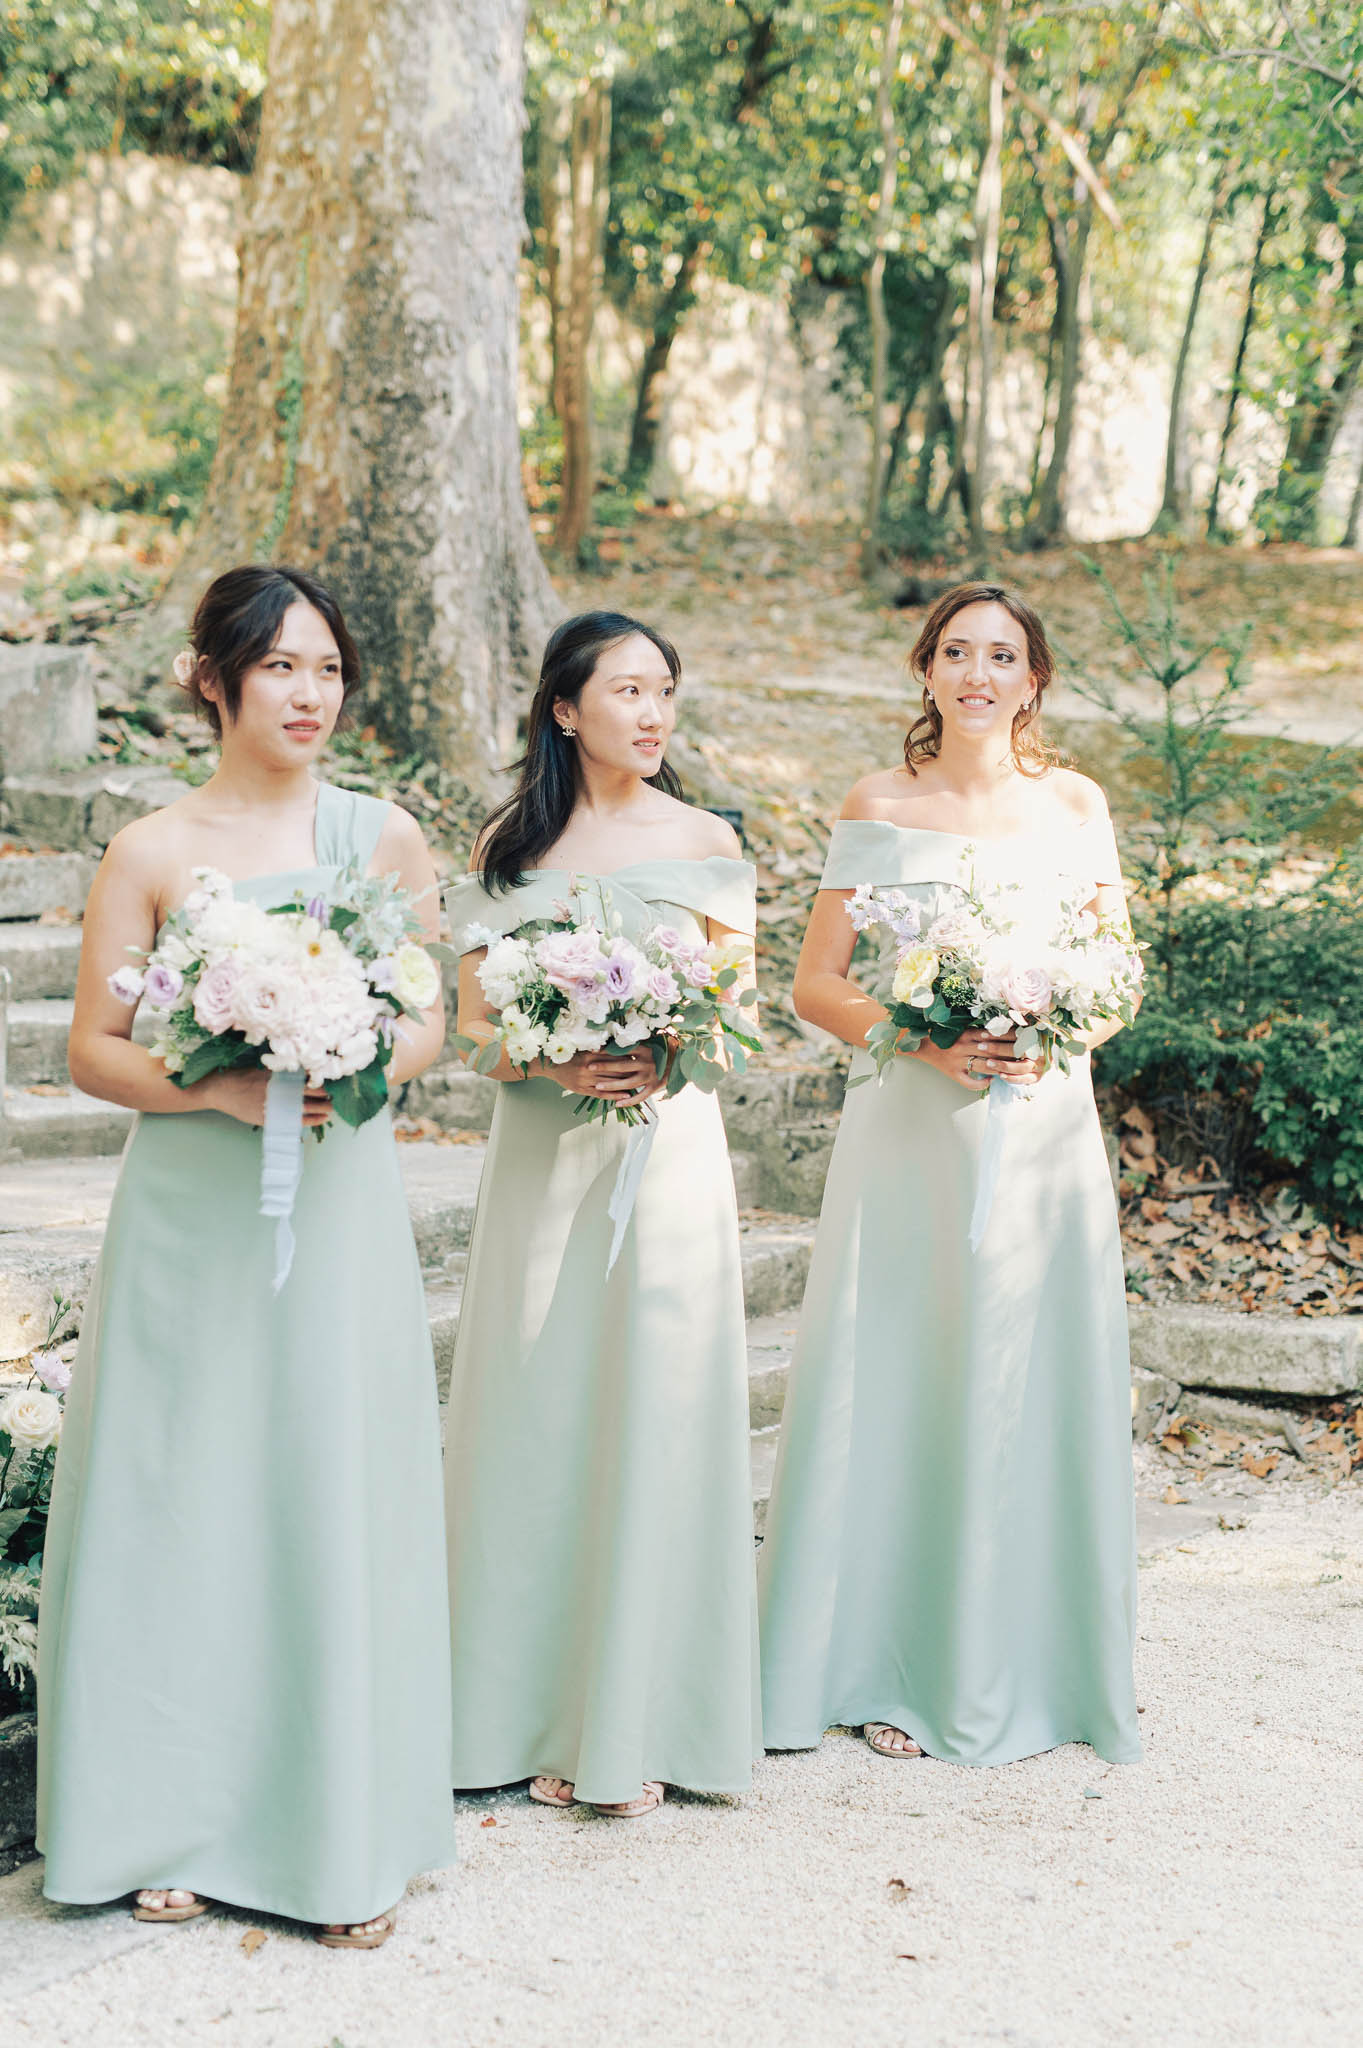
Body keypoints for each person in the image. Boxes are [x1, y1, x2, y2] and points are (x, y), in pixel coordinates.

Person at [37, 564, 454, 1946]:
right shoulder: (151, 852)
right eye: (280, 667)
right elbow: (96, 1053)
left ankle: (338, 1834)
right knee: (183, 1493)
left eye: (327, 668)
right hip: (191, 1213)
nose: (310, 694)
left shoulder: (382, 839)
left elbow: (429, 1022)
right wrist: (217, 1088)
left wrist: (351, 1055)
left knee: (325, 1485)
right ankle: (161, 1814)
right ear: (214, 679)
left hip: (335, 1204)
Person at [758, 581, 1142, 1769]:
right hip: (911, 1134)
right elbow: (816, 982)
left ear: (1033, 681)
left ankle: (1031, 1663)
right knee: (904, 1374)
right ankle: (875, 1657)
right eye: (956, 651)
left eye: (1002, 655)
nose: (978, 673)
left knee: (1024, 1378)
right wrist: (925, 1034)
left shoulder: (1075, 806)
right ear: (925, 671)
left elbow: (1119, 976)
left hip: (1039, 1132)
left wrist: (1057, 1024)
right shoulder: (877, 803)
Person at [442, 610, 761, 1818]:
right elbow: (471, 1027)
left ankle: (639, 1714)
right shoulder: (507, 845)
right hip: (541, 1159)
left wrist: (667, 1048)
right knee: (532, 1419)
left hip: (665, 1159)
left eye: (664, 689)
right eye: (625, 689)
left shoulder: (709, 838)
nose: (651, 710)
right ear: (565, 708)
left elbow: (733, 1017)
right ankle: (506, 1706)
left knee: (655, 1411)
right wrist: (544, 1052)